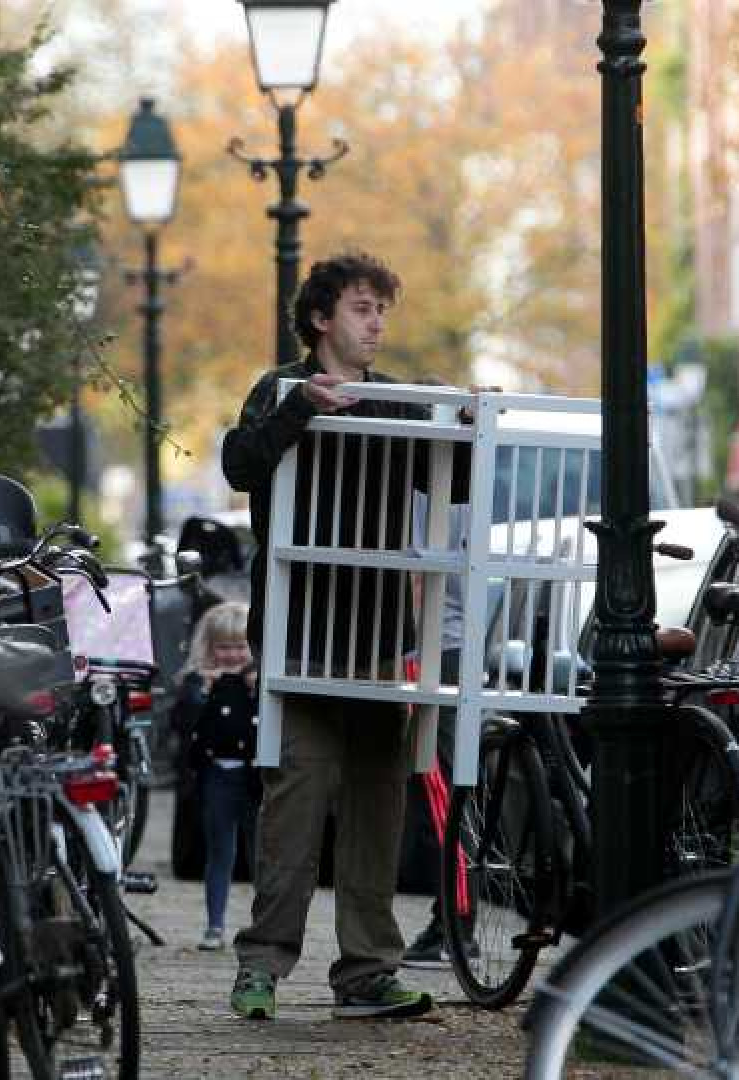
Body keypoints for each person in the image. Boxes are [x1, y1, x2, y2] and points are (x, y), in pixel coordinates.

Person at [221, 252, 459, 1022]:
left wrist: (462, 423)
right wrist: (300, 413)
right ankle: (261, 967)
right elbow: (239, 464)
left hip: (378, 639)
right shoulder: (280, 389)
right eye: (363, 308)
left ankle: (366, 972)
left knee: (377, 806)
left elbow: (446, 481)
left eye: (383, 310)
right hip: (298, 637)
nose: (378, 323)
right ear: (321, 319)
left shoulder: (395, 402)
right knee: (294, 801)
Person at [171, 602, 260, 952]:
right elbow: (182, 725)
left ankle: (262, 926)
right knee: (219, 852)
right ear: (209, 647)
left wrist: (254, 689)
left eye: (240, 646)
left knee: (260, 855)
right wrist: (203, 693)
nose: (233, 655)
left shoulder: (257, 683)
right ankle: (215, 924)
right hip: (216, 777)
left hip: (254, 779)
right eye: (224, 647)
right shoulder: (197, 683)